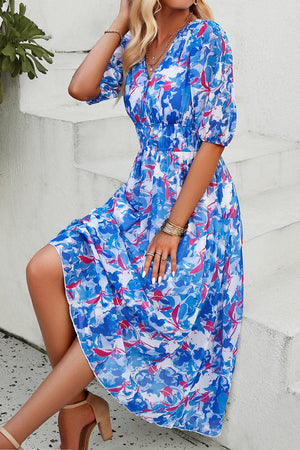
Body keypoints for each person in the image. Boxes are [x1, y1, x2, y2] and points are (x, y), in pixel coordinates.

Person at [0, 0, 244, 449]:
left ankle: (11, 436)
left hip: (195, 209)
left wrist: (174, 227)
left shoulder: (209, 39)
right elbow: (81, 87)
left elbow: (214, 139)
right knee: (42, 269)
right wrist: (120, 21)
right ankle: (76, 406)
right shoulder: (140, 40)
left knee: (124, 319)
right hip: (140, 198)